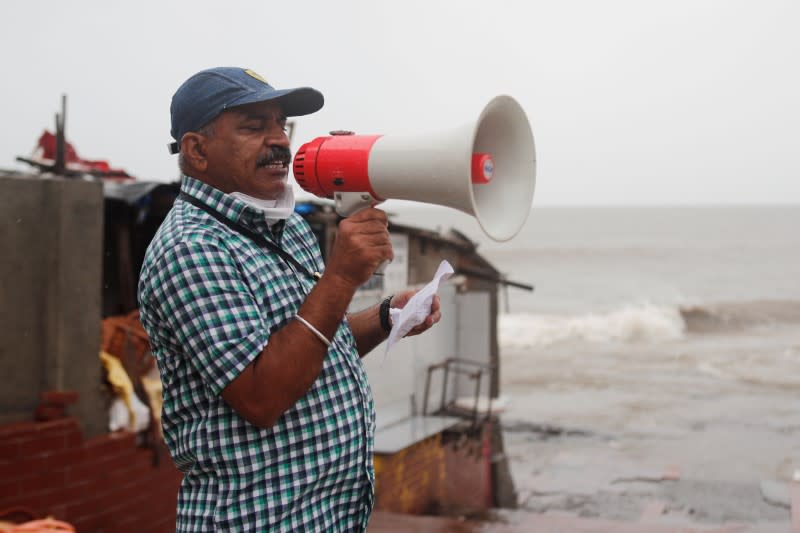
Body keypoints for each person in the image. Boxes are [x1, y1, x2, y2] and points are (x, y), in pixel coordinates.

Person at [137, 67, 441, 532]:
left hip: (324, 517)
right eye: (254, 127)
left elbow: (312, 345)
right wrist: (339, 276)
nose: (279, 140)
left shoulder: (286, 225)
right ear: (197, 150)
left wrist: (386, 315)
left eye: (281, 125)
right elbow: (263, 394)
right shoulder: (191, 249)